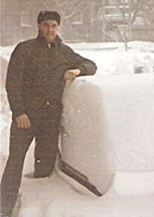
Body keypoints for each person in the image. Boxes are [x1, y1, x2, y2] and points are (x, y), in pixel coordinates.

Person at [0, 11, 97, 217]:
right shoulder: (25, 49)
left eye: (53, 26)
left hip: (50, 119)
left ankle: (38, 205)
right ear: (38, 26)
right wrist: (19, 112)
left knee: (44, 163)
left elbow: (91, 65)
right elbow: (13, 83)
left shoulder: (64, 52)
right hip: (25, 118)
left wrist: (78, 71)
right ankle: (4, 207)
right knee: (15, 162)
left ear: (58, 27)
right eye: (46, 25)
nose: (50, 30)